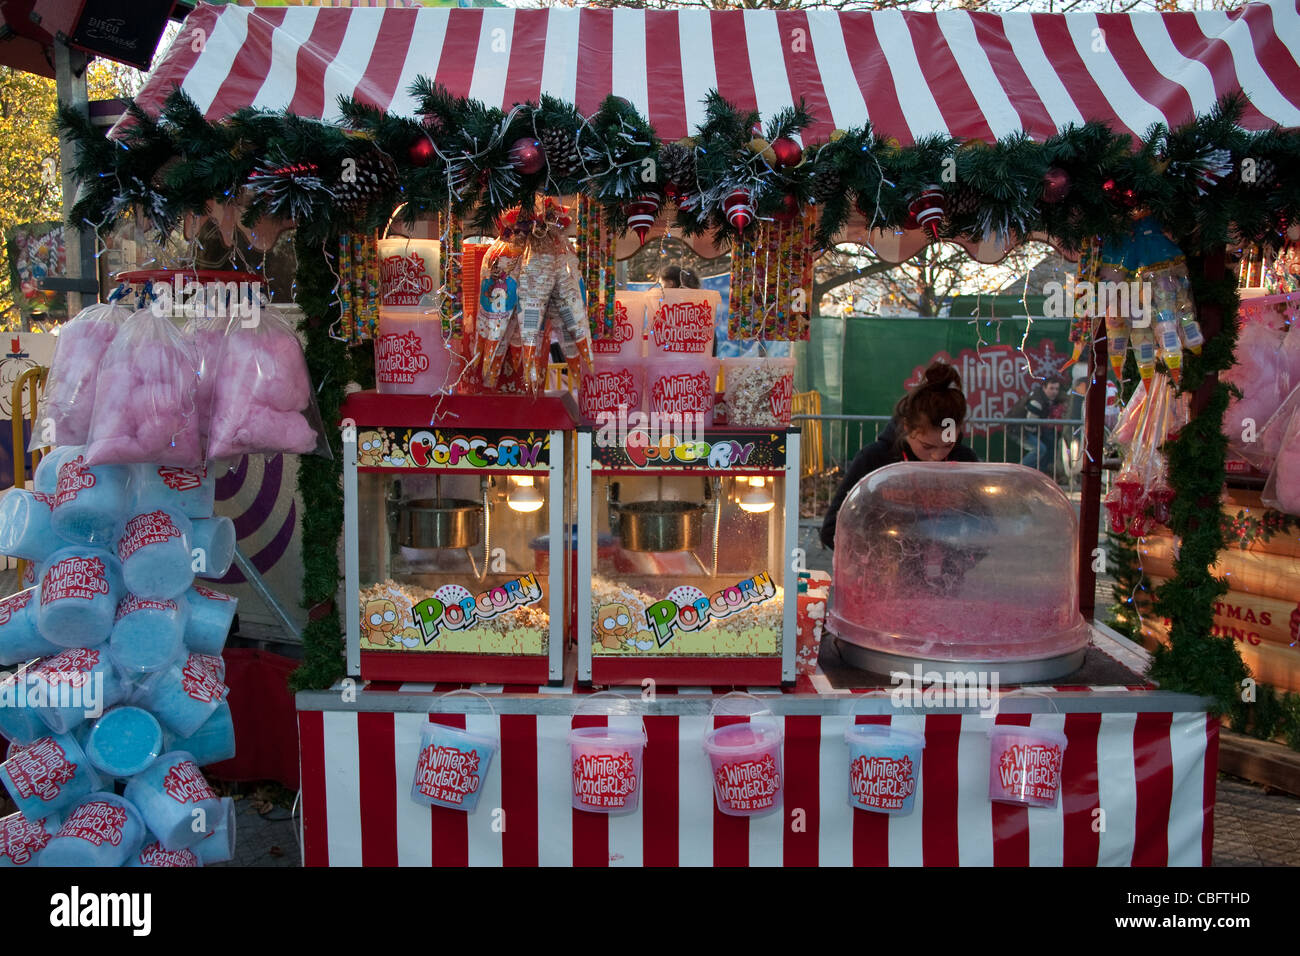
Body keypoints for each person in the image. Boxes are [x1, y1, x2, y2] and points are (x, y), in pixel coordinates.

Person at [820, 361, 980, 550]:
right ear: (907, 427)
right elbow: (832, 529)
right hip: (883, 573)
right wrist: (874, 558)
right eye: (927, 446)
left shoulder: (965, 462)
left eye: (947, 445)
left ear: (960, 429)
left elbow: (986, 527)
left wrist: (957, 560)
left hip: (946, 576)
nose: (937, 456)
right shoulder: (875, 459)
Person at [1016, 375, 1066, 476]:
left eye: (1056, 389)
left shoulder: (1048, 399)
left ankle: (1039, 474)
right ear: (1044, 388)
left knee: (1048, 445)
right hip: (1018, 429)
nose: (1054, 392)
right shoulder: (1037, 402)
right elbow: (1030, 425)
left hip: (1030, 429)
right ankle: (1018, 472)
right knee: (1039, 449)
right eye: (1051, 388)